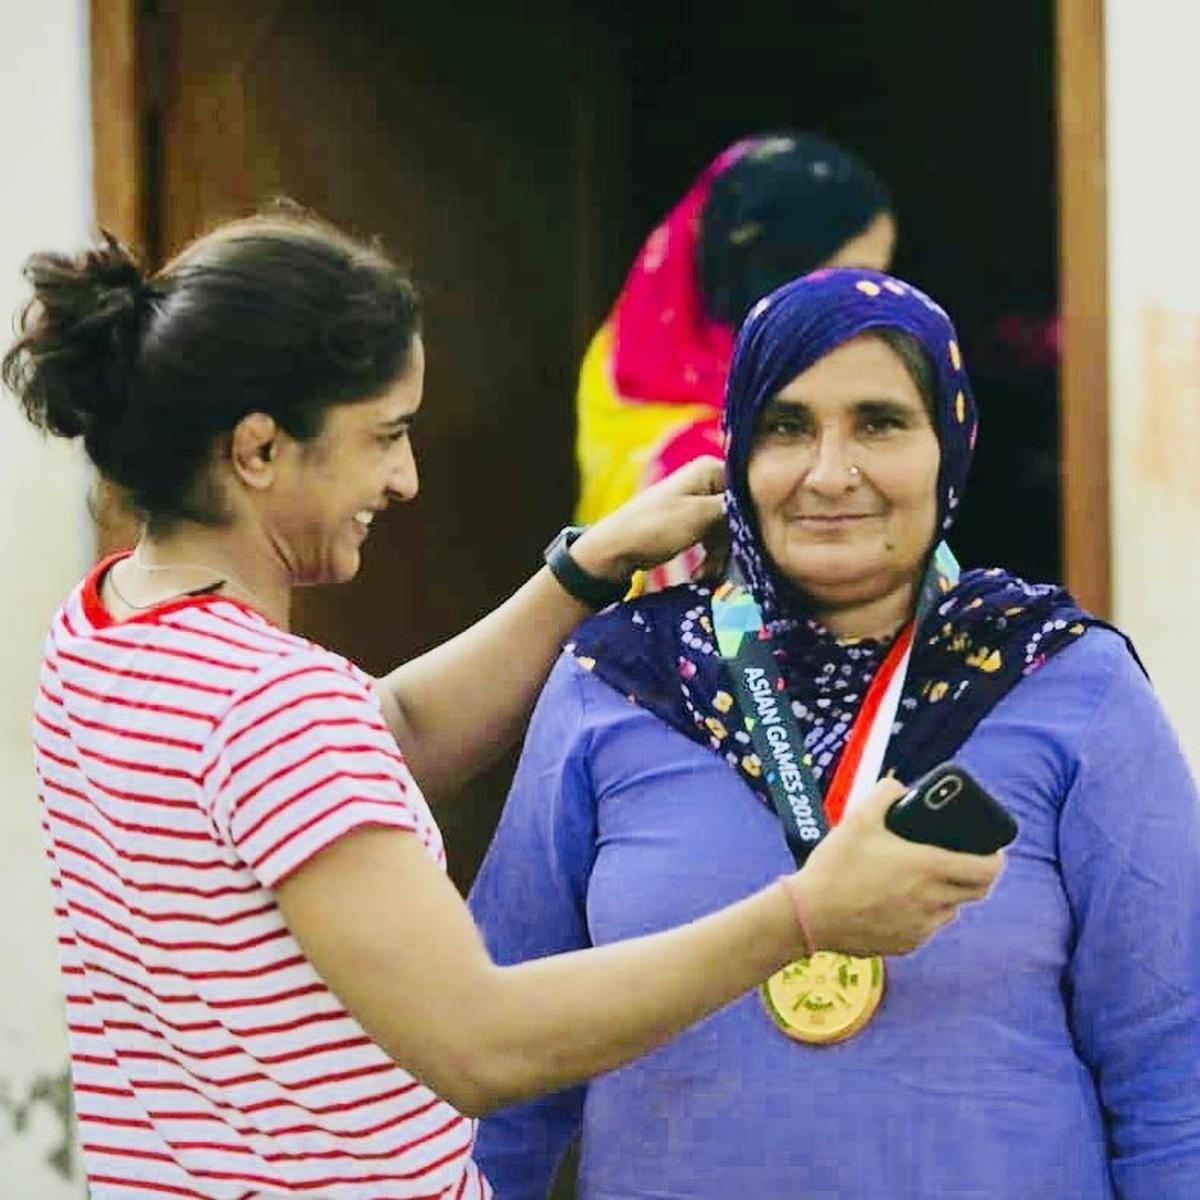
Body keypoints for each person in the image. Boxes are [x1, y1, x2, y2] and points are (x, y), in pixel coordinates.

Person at [3, 216, 1003, 1200]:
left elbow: (376, 738)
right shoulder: (271, 709)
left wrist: (583, 570)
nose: (405, 478)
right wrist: (804, 915)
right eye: (384, 437)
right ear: (260, 450)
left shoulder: (100, 637)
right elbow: (481, 1042)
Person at [470, 267, 1200, 1198]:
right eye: (786, 427)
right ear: (735, 453)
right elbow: (500, 1066)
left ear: (951, 442)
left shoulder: (1065, 681)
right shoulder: (618, 685)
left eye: (879, 423)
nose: (829, 472)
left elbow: (1174, 1072)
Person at [575, 130, 894, 587]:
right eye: (852, 280)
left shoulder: (625, 345)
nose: (870, 307)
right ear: (774, 272)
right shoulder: (712, 465)